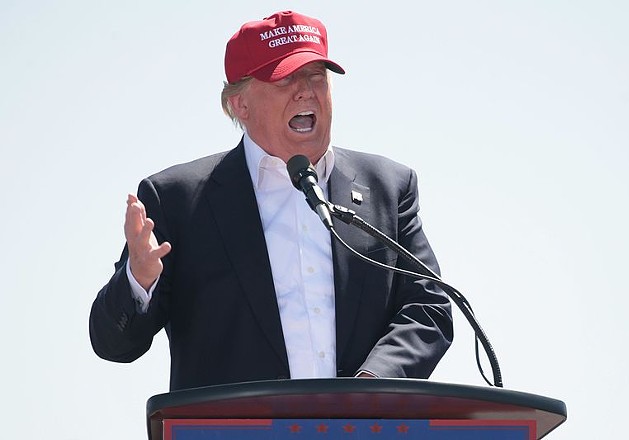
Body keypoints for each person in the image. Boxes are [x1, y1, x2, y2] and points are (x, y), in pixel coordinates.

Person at [89, 10, 453, 392]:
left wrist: (372, 384)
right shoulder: (177, 199)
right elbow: (113, 344)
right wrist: (138, 280)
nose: (306, 90)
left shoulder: (388, 187)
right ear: (240, 105)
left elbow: (428, 308)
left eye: (316, 75)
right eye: (286, 78)